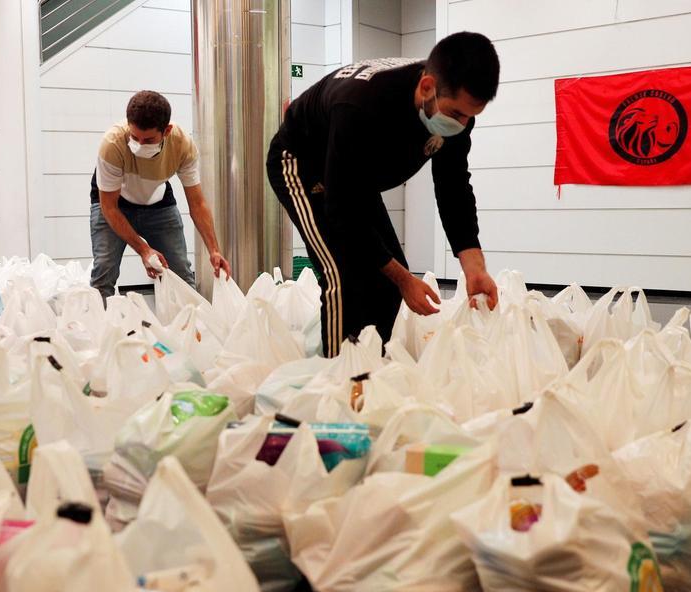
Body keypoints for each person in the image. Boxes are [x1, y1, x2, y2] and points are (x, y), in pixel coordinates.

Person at [266, 32, 502, 357]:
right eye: (457, 114)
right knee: (344, 276)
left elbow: (454, 187)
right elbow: (342, 210)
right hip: (303, 165)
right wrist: (406, 279)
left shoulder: (455, 114)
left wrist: (474, 269)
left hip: (353, 177)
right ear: (426, 87)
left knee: (386, 284)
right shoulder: (362, 106)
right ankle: (343, 380)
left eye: (471, 116)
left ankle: (371, 370)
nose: (462, 124)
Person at [90, 90, 231, 300]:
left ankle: (189, 330)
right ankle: (102, 329)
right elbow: (109, 207)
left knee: (181, 273)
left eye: (148, 140)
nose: (139, 145)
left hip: (159, 206)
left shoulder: (182, 145)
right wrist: (144, 250)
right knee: (104, 271)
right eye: (134, 137)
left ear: (166, 131)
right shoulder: (112, 144)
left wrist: (214, 250)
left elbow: (197, 203)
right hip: (115, 205)